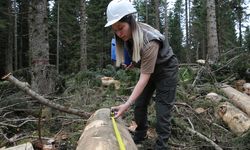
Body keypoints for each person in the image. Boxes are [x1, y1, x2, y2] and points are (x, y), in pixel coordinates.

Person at [105, 0, 179, 149]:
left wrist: (126, 104)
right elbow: (141, 57)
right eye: (115, 30)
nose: (119, 33)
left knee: (162, 110)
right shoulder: (128, 36)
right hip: (151, 69)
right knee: (139, 105)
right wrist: (134, 62)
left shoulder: (149, 41)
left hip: (166, 71)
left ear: (130, 22)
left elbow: (144, 76)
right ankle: (140, 134)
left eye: (121, 28)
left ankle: (162, 145)